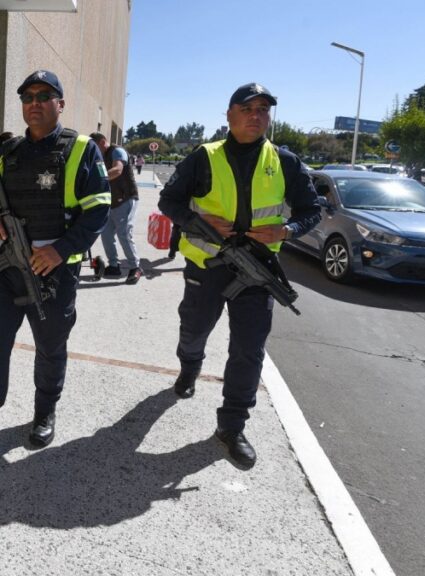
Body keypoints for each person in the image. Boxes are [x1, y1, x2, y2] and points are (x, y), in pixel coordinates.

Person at [158, 82, 320, 468]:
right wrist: (197, 221)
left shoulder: (285, 160)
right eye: (247, 109)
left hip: (258, 270)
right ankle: (189, 366)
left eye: (263, 110)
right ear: (229, 115)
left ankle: (231, 426)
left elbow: (311, 210)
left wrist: (287, 231)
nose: (256, 116)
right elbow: (169, 201)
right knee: (194, 329)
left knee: (249, 349)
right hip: (208, 266)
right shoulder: (204, 156)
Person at [0, 70, 111, 447]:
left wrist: (60, 250)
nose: (34, 103)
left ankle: (44, 411)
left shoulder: (81, 149)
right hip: (6, 268)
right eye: (27, 97)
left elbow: (98, 209)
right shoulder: (8, 152)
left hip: (55, 272)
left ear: (59, 104)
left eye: (44, 95)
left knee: (50, 346)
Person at [90, 133, 142, 284]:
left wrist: (97, 179)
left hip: (126, 198)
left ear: (103, 142)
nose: (94, 150)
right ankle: (114, 265)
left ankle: (135, 267)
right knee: (106, 234)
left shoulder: (117, 152)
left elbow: (118, 170)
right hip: (110, 202)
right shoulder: (99, 158)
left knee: (124, 232)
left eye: (95, 146)